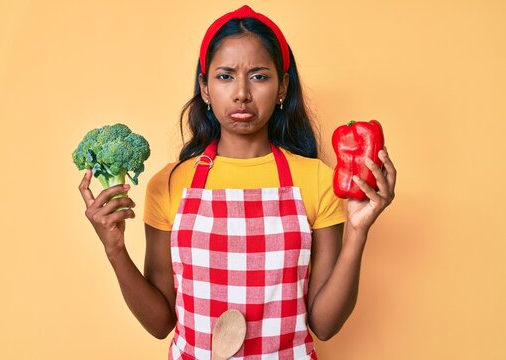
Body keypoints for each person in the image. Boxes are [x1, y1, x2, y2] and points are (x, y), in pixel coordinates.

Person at [78, 5, 396, 359]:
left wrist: (357, 233)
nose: (242, 92)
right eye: (225, 76)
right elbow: (159, 323)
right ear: (204, 87)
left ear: (282, 88)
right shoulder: (168, 183)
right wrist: (114, 249)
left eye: (259, 76)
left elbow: (324, 324)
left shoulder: (317, 179)